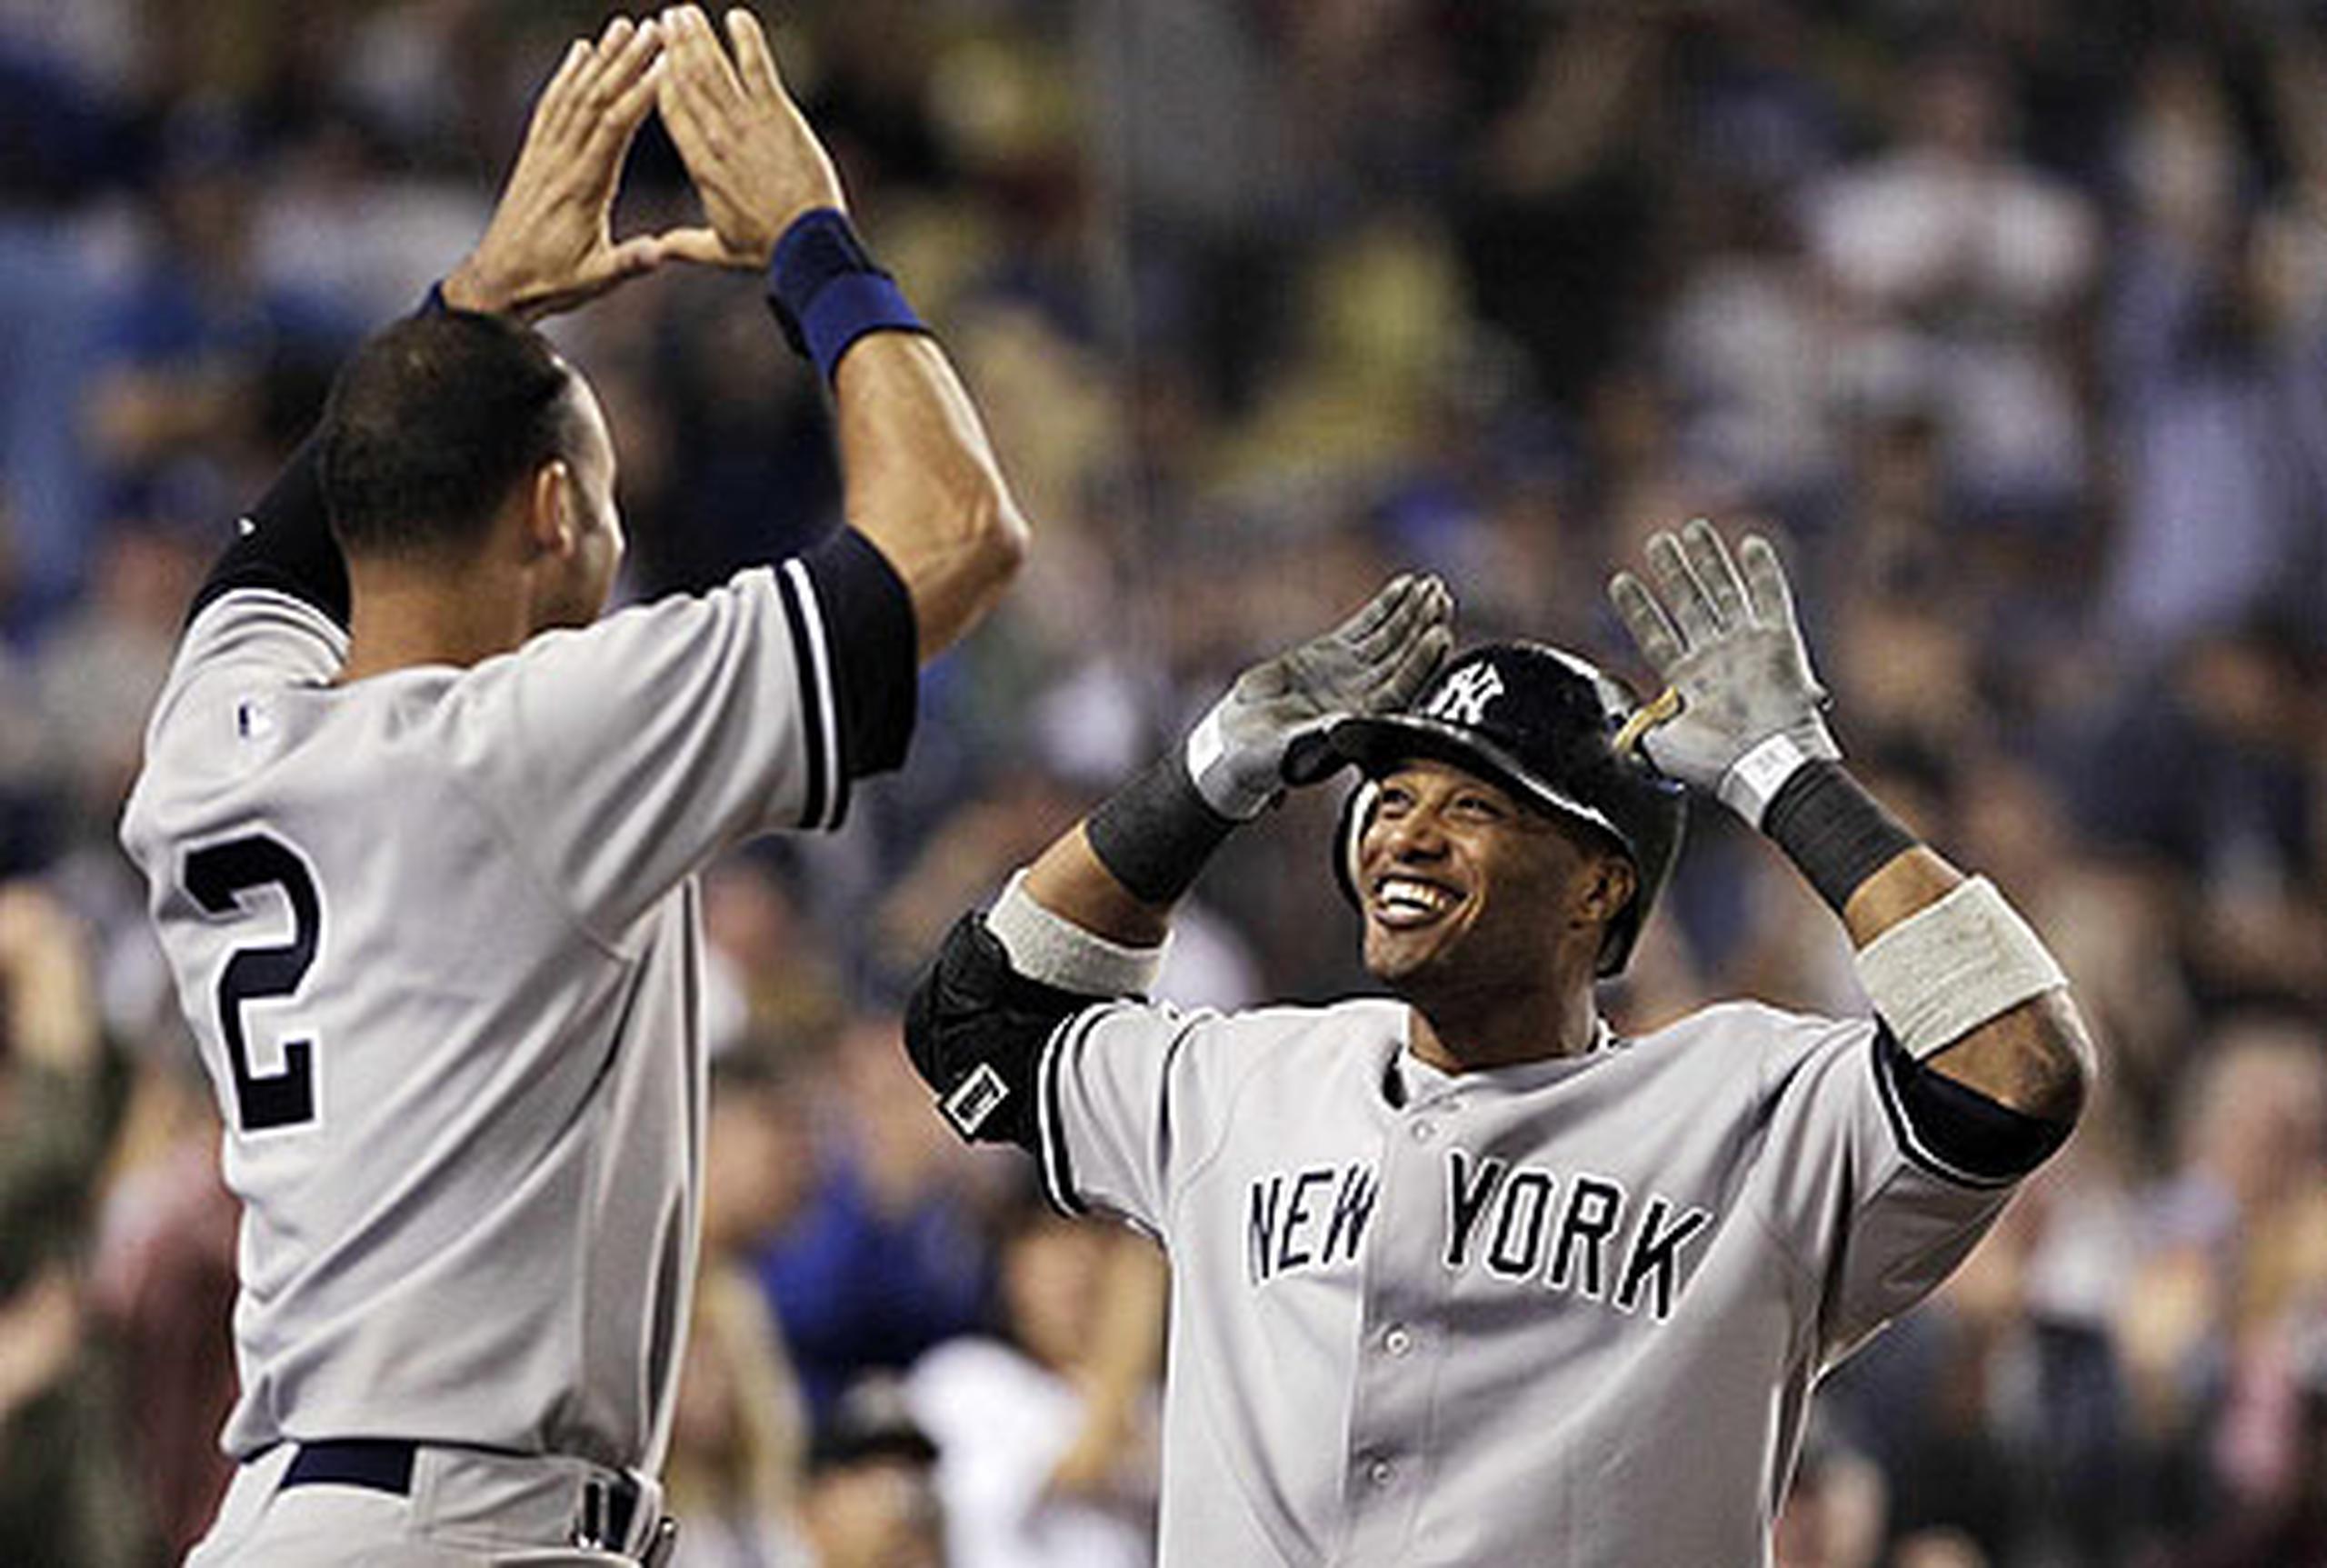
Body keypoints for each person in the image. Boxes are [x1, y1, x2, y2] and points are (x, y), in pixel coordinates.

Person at [119, 6, 1027, 1563]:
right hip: (467, 1524)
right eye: (606, 493)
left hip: (303, 1510)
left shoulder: (215, 731)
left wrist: (475, 302)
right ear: (551, 510)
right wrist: (814, 239)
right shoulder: (541, 739)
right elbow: (959, 534)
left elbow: (283, 538)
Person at [904, 521, 2093, 1564]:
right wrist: (1207, 775)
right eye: (1393, 799)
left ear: (1596, 888)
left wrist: (1791, 778)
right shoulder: (1245, 1079)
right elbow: (979, 1026)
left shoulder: (1748, 1110)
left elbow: (2017, 1067)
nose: (1408, 837)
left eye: (1473, 807)